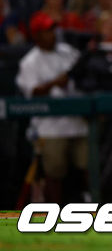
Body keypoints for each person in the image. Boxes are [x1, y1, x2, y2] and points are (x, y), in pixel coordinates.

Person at [15, 12, 88, 203]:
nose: (52, 34)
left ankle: (89, 206)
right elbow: (32, 91)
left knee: (88, 162)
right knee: (54, 169)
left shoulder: (68, 51)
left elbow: (84, 72)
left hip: (78, 120)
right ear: (37, 35)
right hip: (50, 126)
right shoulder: (29, 62)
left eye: (53, 30)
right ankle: (54, 211)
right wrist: (55, 83)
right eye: (47, 31)